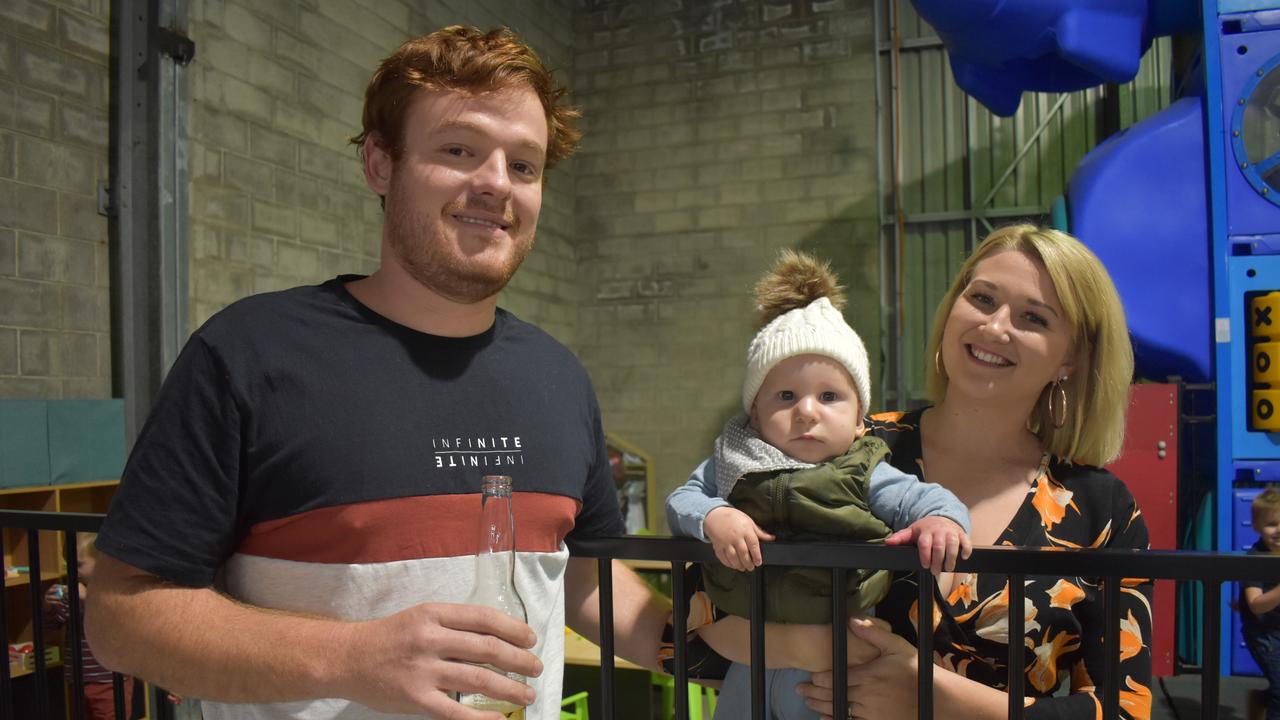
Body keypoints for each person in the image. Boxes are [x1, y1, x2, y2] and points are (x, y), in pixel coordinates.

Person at [84, 25, 670, 720]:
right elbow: (121, 618)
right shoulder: (251, 353)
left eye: (524, 165)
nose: (494, 183)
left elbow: (582, 577)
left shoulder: (558, 377)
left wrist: (723, 647)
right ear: (380, 164)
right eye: (459, 150)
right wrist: (353, 659)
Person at [792, 224, 1153, 719]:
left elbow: (1126, 709)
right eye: (983, 298)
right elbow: (713, 623)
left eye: (1033, 317)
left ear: (1070, 358)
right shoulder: (852, 447)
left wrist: (934, 697)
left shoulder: (1101, 509)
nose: (995, 326)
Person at [666, 250, 972, 720]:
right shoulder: (733, 462)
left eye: (829, 396)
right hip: (748, 654)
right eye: (785, 396)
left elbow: (921, 497)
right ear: (755, 412)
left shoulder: (863, 467)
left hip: (829, 666)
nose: (807, 411)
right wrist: (714, 516)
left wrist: (941, 519)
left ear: (857, 420)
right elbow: (682, 500)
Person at [44, 534, 134, 720]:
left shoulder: (114, 590)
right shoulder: (71, 591)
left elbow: (120, 621)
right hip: (78, 680)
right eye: (68, 563)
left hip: (110, 681)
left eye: (78, 564)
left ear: (101, 563)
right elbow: (52, 626)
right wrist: (49, 607)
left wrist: (88, 598)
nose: (72, 570)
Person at [1242, 487, 1280, 720]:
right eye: (1271, 524)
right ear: (1256, 526)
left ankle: (1260, 700)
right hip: (1265, 635)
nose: (1278, 530)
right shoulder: (1256, 559)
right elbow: (1255, 603)